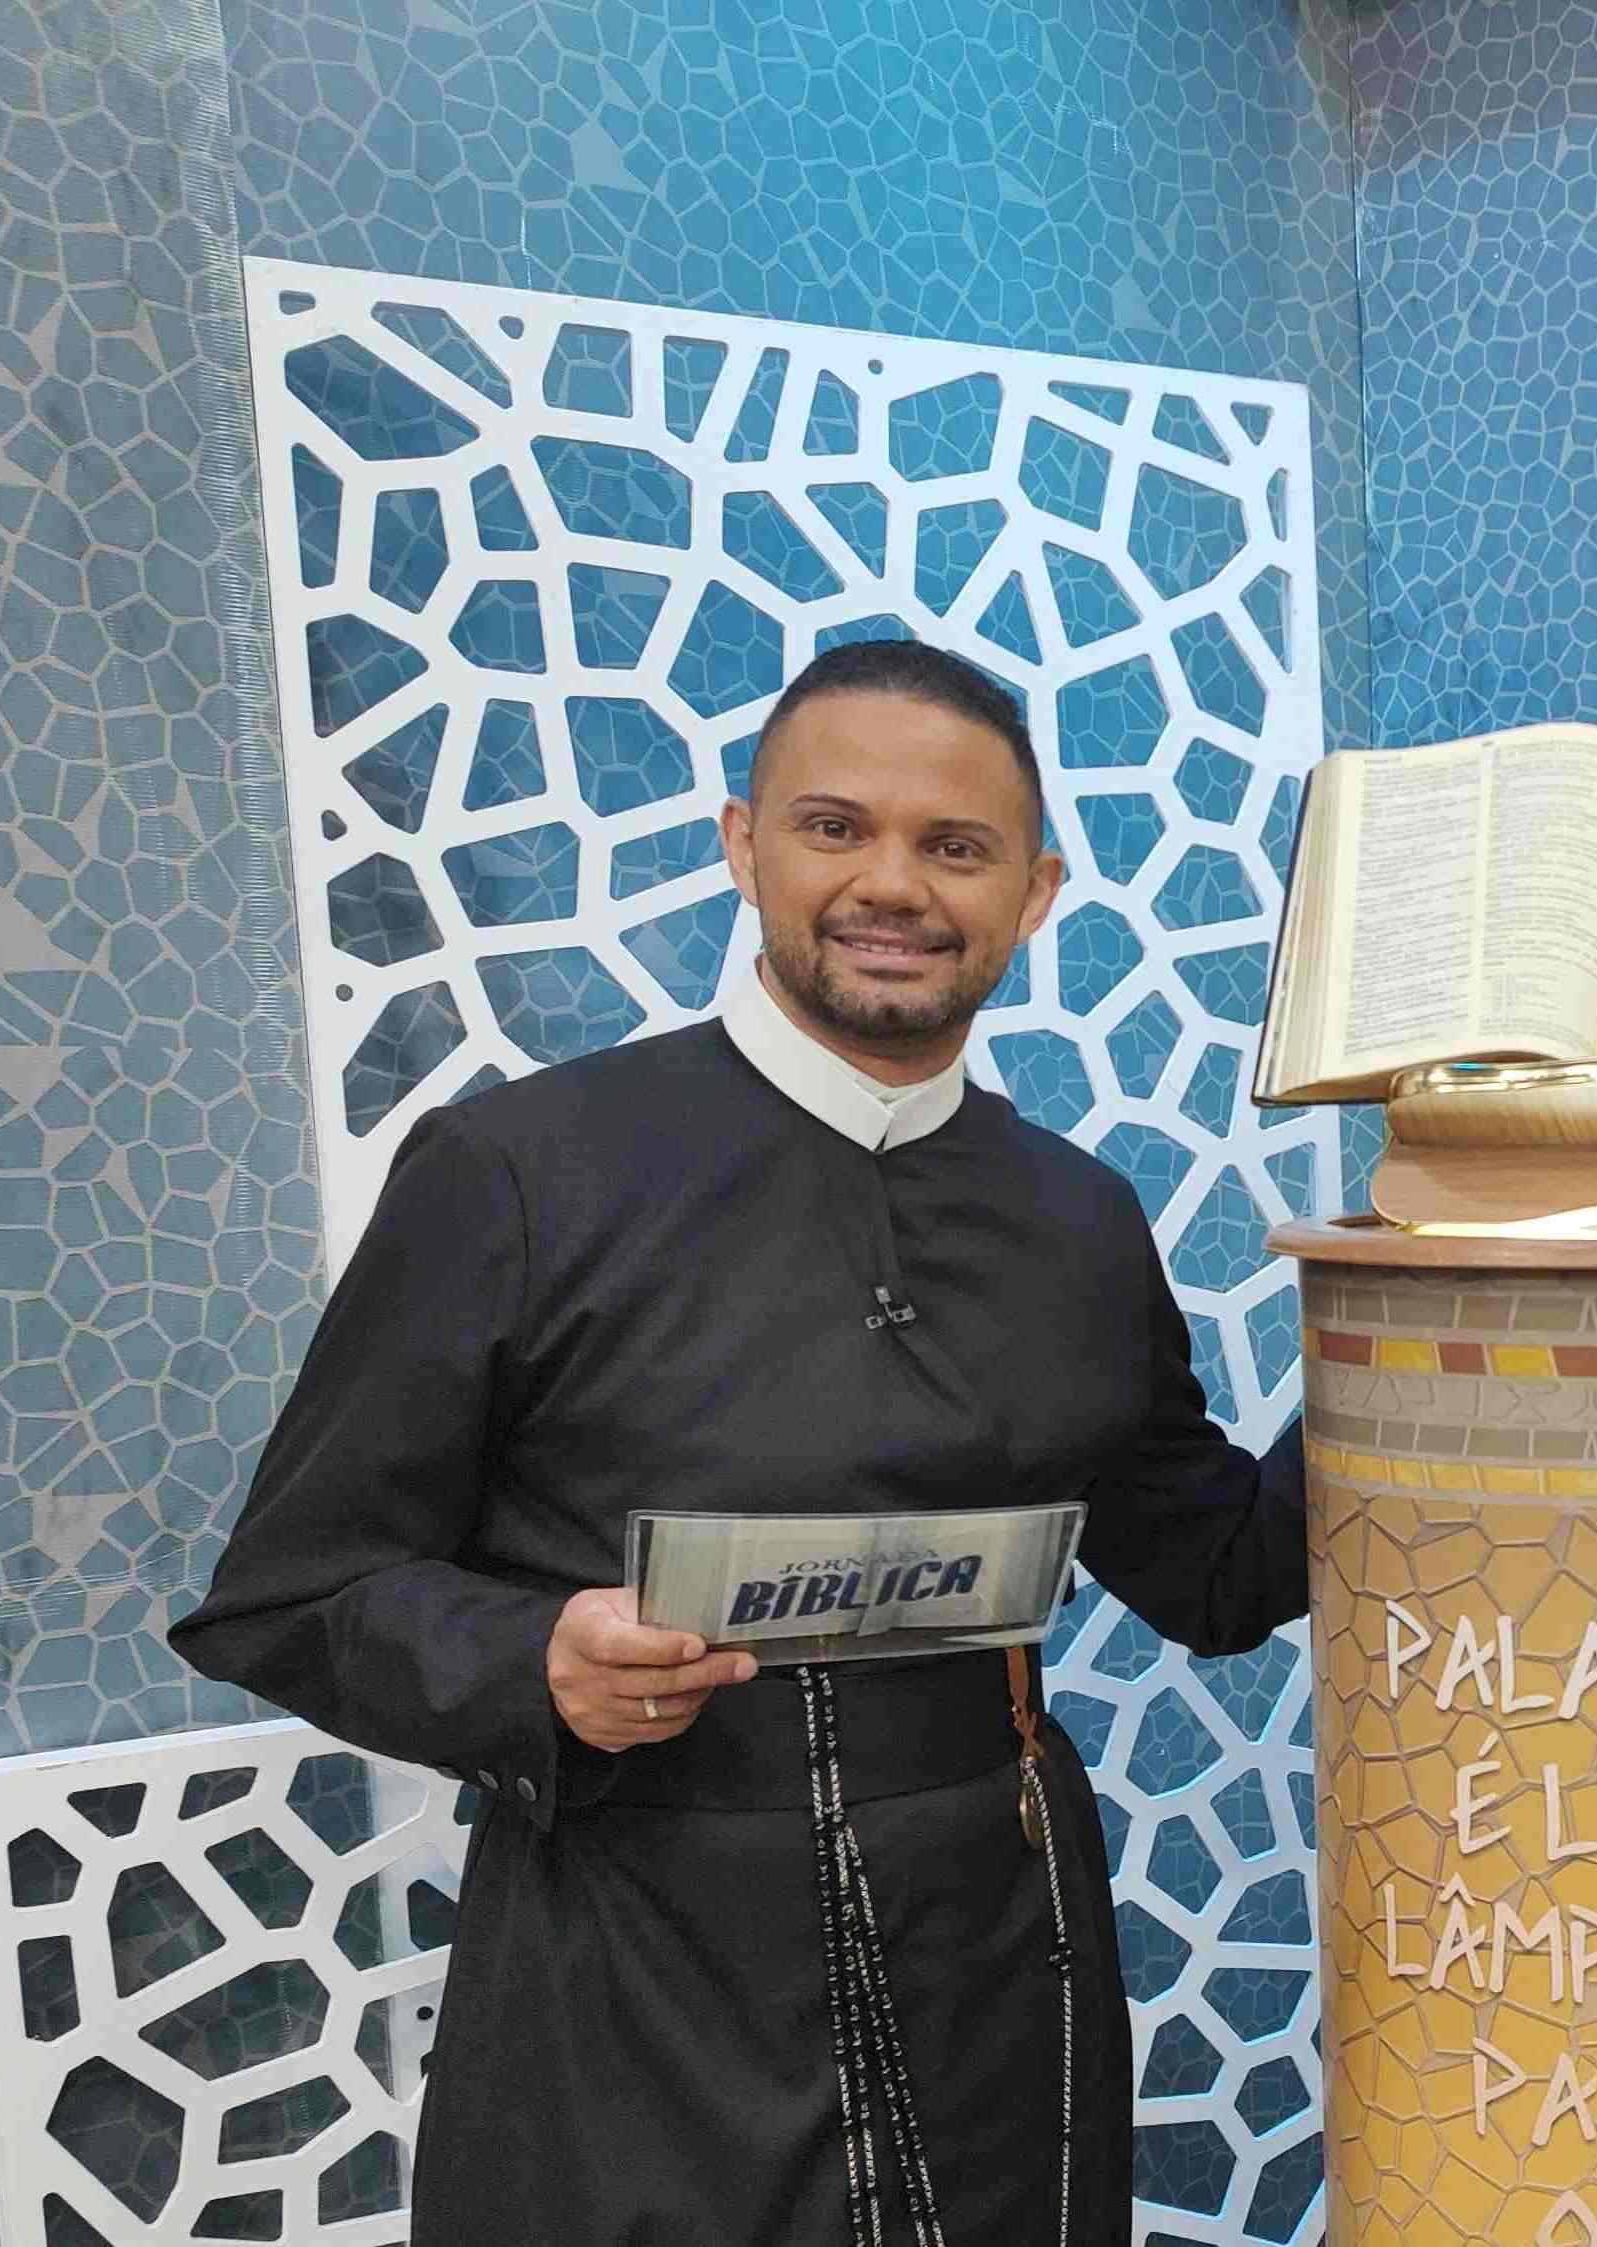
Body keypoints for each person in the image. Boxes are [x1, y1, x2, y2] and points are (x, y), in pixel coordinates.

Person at [173, 637, 1306, 2246]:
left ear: (1035, 892)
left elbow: (1216, 1572)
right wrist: (532, 1665)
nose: (892, 884)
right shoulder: (516, 1172)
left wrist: (1438, 1314)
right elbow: (288, 1595)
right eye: (835, 828)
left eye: (956, 846)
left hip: (1005, 1978)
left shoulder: (1079, 1220)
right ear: (742, 845)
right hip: (638, 1989)